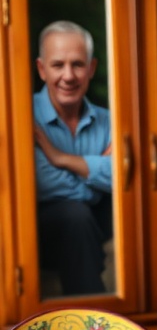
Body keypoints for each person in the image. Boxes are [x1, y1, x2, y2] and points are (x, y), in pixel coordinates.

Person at [34, 20, 113, 295]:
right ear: (42, 69)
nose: (68, 76)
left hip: (95, 225)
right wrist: (97, 171)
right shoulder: (24, 114)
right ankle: (94, 316)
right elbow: (45, 185)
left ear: (91, 68)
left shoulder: (110, 121)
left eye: (78, 64)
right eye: (57, 65)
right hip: (39, 233)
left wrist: (59, 158)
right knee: (75, 214)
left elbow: (125, 177)